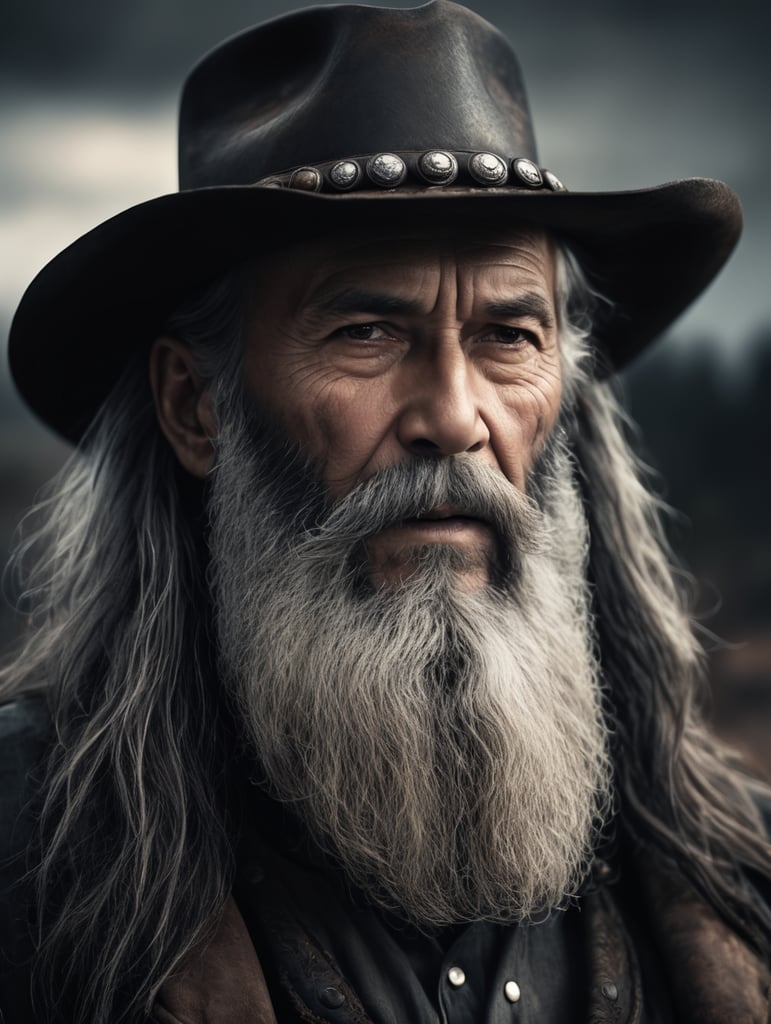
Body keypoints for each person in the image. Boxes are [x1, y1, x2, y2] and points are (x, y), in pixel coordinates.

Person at [1, 2, 770, 1022]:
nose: (455, 417)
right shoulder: (25, 868)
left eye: (508, 336)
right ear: (196, 407)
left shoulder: (735, 869)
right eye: (367, 330)